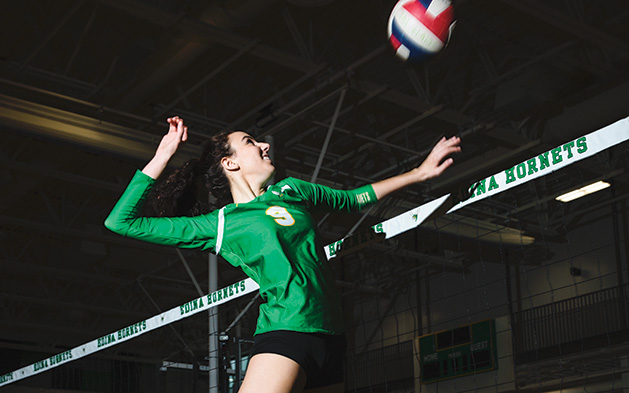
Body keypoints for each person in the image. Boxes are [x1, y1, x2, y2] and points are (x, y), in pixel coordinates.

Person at [105, 116, 461, 393]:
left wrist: (419, 173)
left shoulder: (292, 190)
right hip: (287, 331)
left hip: (332, 338)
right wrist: (164, 154)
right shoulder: (222, 224)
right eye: (249, 142)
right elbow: (121, 221)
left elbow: (353, 199)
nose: (263, 145)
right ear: (230, 164)